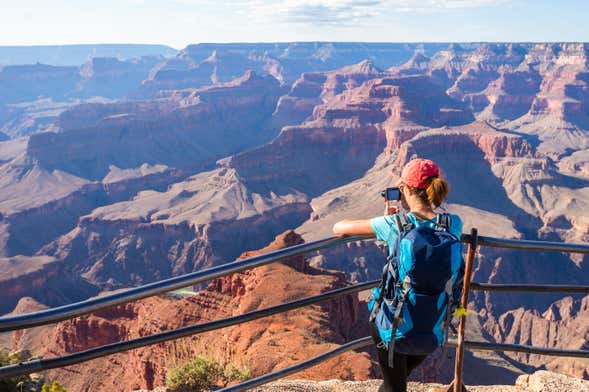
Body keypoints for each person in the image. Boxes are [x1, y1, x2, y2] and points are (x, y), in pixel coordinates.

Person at [332, 158, 463, 392]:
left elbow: (339, 227)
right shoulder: (453, 223)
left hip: (391, 325)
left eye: (400, 186)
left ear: (406, 189)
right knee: (395, 382)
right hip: (433, 325)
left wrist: (387, 219)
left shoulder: (394, 224)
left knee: (395, 385)